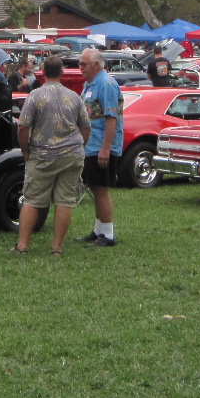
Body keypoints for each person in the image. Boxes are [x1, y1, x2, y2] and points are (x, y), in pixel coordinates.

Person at [12, 56, 91, 255]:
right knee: (64, 201)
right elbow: (86, 126)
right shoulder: (74, 96)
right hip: (72, 154)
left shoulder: (35, 96)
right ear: (62, 72)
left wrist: (25, 150)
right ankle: (56, 248)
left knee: (32, 200)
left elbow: (23, 127)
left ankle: (22, 246)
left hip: (43, 154)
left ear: (43, 72)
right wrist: (80, 145)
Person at [75, 47, 123, 247]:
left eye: (83, 64)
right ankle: (98, 230)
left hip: (101, 146)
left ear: (96, 64)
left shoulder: (107, 84)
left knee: (101, 189)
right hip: (90, 145)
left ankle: (108, 235)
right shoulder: (89, 84)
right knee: (95, 187)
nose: (80, 68)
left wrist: (106, 148)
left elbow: (111, 118)